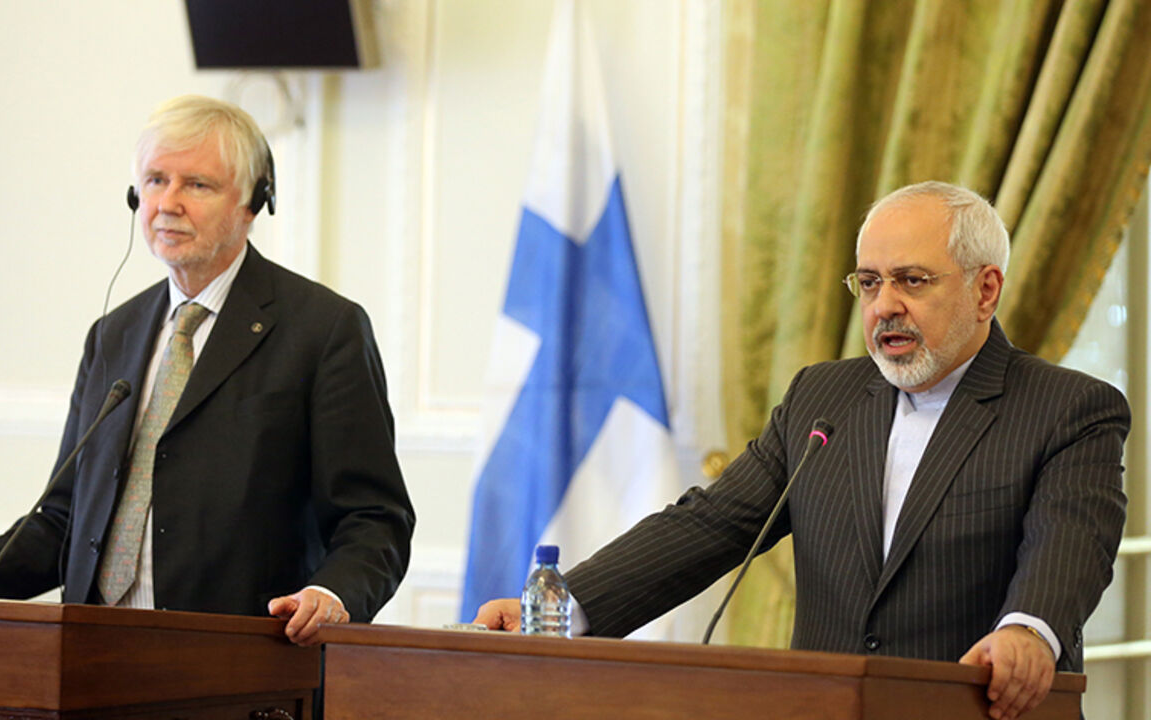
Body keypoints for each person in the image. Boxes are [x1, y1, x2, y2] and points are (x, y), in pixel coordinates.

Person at [475, 181, 1128, 720]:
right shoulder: (825, 397)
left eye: (912, 280)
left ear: (986, 290)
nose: (884, 307)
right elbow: (711, 523)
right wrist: (564, 605)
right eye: (869, 283)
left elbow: (1070, 541)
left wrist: (1027, 630)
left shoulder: (1068, 409)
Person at [0, 95, 415, 645]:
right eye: (155, 181)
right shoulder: (114, 334)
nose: (167, 203)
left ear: (254, 201)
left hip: (242, 662)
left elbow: (374, 518)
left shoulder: (322, 329)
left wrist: (331, 596)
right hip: (91, 660)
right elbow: (61, 524)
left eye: (196, 185)